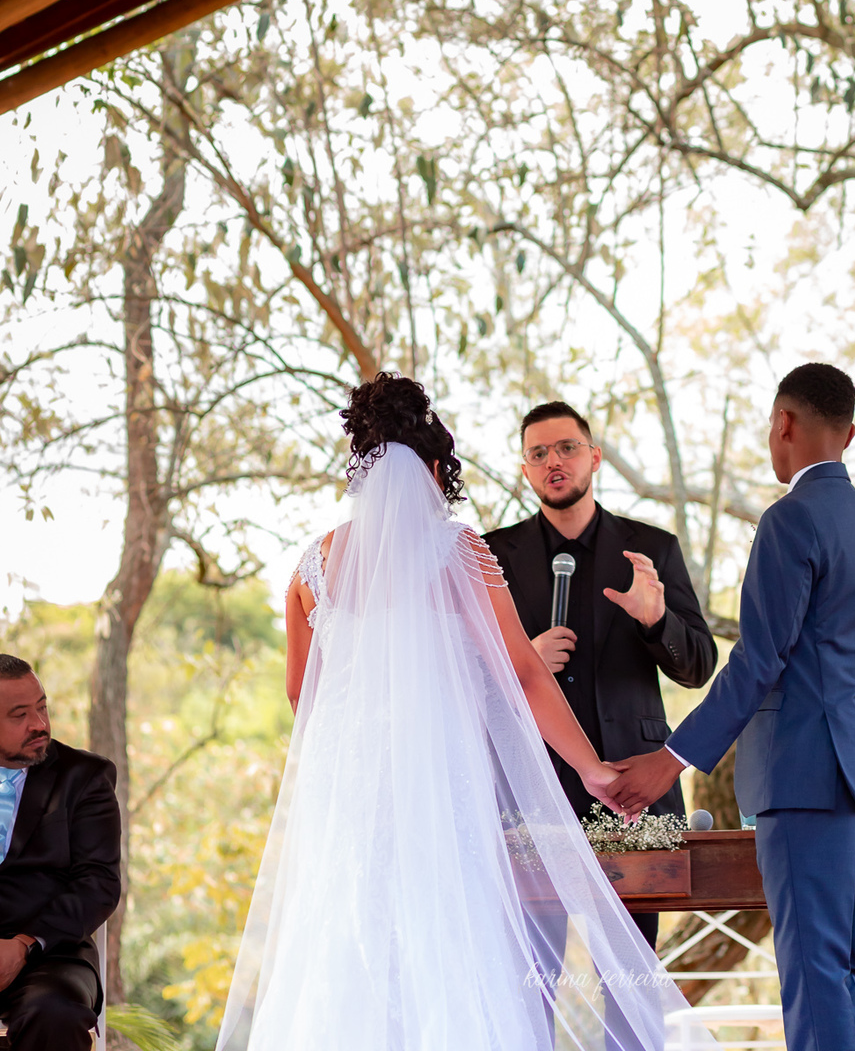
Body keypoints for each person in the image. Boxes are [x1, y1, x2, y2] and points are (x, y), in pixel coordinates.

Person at [217, 372, 716, 1051]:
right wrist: (593, 770)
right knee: (458, 952)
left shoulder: (310, 568)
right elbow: (525, 674)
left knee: (352, 953)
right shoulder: (458, 551)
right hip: (442, 795)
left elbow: (303, 697)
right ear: (432, 469)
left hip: (350, 806)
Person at [608, 362, 855, 1051]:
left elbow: (759, 660)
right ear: (850, 433)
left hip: (799, 775)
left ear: (783, 423)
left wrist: (670, 759)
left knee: (812, 973)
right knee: (835, 969)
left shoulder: (790, 519)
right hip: (853, 774)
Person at [485, 400, 717, 951]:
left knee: (630, 972)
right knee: (531, 975)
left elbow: (699, 668)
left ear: (594, 457)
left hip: (630, 789)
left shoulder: (652, 549)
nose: (553, 461)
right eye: (538, 453)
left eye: (567, 448)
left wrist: (656, 621)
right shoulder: (492, 555)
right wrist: (519, 660)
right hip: (527, 789)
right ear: (525, 470)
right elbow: (462, 675)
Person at [0, 655, 121, 1051]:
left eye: (42, 707)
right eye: (20, 715)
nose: (39, 724)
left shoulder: (84, 777)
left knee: (54, 1012)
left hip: (50, 955)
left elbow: (98, 883)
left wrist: (24, 943)